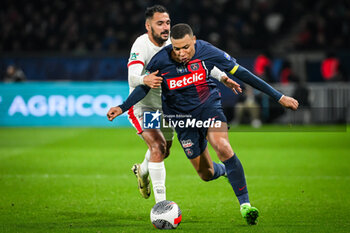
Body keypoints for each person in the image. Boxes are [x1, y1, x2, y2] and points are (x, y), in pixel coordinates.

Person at [107, 23, 298, 225]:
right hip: (181, 120)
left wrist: (279, 97)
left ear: (194, 41)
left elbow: (242, 73)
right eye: (177, 48)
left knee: (222, 146)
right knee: (206, 174)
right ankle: (225, 171)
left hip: (208, 109)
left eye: (186, 47)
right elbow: (144, 88)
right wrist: (122, 106)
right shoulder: (160, 60)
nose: (181, 53)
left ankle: (245, 206)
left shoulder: (207, 51)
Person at [124, 5, 241, 204]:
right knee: (158, 146)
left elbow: (197, 63)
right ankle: (161, 206)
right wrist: (144, 80)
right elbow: (132, 77)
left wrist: (221, 76)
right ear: (148, 26)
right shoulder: (141, 44)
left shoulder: (175, 42)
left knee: (165, 149)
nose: (165, 27)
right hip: (147, 107)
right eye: (159, 23)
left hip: (170, 106)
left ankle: (143, 170)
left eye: (167, 23)